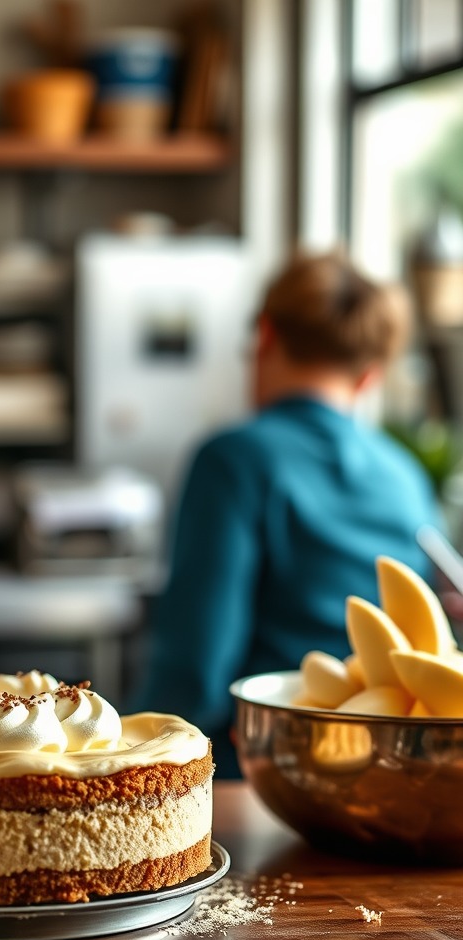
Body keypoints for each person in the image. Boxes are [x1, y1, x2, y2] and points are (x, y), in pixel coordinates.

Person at [137, 251, 443, 778]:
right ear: (369, 376)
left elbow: (196, 670)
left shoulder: (232, 460)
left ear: (266, 335)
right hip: (384, 772)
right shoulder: (405, 475)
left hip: (263, 773)